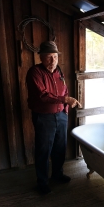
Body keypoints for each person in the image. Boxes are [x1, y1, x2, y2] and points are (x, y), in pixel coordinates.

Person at [26, 41, 82, 194]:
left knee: (60, 147)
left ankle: (57, 174)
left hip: (60, 116)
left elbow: (64, 91)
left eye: (55, 57)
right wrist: (65, 100)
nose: (52, 61)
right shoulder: (35, 72)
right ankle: (42, 182)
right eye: (49, 57)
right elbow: (42, 95)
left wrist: (65, 110)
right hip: (44, 118)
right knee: (44, 150)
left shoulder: (59, 71)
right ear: (41, 57)